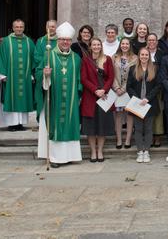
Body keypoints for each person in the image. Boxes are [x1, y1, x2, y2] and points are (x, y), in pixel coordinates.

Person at [37, 22, 82, 168]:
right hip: (53, 99)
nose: (65, 42)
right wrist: (45, 75)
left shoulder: (76, 58)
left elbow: (79, 79)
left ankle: (70, 156)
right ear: (58, 40)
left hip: (71, 99)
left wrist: (79, 95)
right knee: (55, 126)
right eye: (62, 39)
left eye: (68, 40)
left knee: (70, 124)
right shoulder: (49, 55)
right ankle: (55, 158)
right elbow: (38, 73)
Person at [0, 19, 35, 131]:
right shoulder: (6, 41)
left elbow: (34, 58)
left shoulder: (29, 42)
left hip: (25, 77)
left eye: (21, 27)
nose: (19, 29)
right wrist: (2, 74)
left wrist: (32, 74)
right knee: (11, 98)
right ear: (13, 28)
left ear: (24, 28)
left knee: (23, 99)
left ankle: (20, 123)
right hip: (10, 77)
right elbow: (1, 57)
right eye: (17, 27)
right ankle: (12, 124)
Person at [80, 37, 114, 162]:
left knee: (102, 126)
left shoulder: (107, 59)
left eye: (98, 44)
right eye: (94, 45)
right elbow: (83, 79)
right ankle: (93, 151)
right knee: (91, 126)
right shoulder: (86, 60)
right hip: (90, 96)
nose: (96, 47)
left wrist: (103, 90)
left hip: (104, 97)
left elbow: (111, 77)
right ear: (90, 46)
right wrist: (95, 90)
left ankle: (100, 151)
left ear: (101, 46)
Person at [126, 47, 160, 163]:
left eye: (146, 55)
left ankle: (147, 151)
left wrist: (147, 98)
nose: (144, 57)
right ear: (139, 56)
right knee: (139, 128)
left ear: (149, 56)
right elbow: (128, 87)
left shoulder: (154, 68)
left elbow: (158, 86)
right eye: (142, 55)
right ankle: (140, 151)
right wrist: (137, 99)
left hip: (149, 103)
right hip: (137, 104)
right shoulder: (132, 69)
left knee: (149, 128)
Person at [111, 37, 137, 149]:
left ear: (130, 45)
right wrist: (117, 88)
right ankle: (119, 140)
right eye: (123, 43)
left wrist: (124, 88)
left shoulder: (135, 58)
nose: (125, 45)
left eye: (127, 44)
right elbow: (111, 74)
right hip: (117, 91)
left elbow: (134, 75)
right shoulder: (114, 57)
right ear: (120, 45)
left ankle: (127, 140)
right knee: (118, 116)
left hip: (129, 91)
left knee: (130, 115)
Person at [34, 20, 57, 118]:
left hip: (56, 72)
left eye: (53, 26)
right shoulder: (41, 41)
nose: (51, 28)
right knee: (43, 96)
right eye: (49, 26)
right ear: (46, 27)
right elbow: (36, 56)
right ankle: (43, 120)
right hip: (43, 72)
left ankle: (53, 118)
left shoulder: (60, 40)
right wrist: (46, 63)